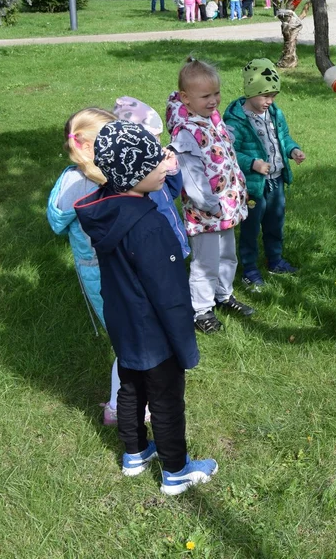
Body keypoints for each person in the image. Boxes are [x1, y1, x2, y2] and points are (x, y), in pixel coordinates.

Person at [74, 120, 218, 496]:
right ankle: (176, 470)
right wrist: (185, 345)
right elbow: (169, 295)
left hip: (123, 323)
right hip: (155, 332)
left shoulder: (108, 211)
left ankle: (135, 452)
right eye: (155, 163)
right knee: (166, 398)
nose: (165, 167)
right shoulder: (149, 225)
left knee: (131, 387)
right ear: (134, 173)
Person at [165, 57, 253, 333]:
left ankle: (223, 295)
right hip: (206, 212)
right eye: (205, 96)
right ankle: (201, 310)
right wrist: (211, 205)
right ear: (185, 98)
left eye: (216, 93)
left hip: (226, 207)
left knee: (228, 255)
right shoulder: (187, 132)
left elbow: (226, 158)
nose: (214, 100)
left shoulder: (212, 122)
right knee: (205, 262)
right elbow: (191, 177)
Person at [47, 107, 122, 426]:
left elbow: (56, 221)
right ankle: (120, 406)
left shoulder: (69, 180)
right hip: (112, 270)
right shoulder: (110, 176)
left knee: (126, 335)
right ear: (92, 145)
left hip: (93, 269)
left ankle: (126, 399)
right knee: (129, 339)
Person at [223, 58, 306, 288]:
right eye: (265, 96)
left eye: (273, 96)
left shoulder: (275, 114)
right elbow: (229, 152)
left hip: (276, 181)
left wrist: (293, 150)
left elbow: (284, 138)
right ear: (250, 91)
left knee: (275, 222)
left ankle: (275, 260)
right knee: (251, 227)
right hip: (253, 186)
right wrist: (253, 164)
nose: (270, 101)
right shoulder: (235, 120)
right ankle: (249, 268)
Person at [112, 97, 190, 260]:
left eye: (158, 138)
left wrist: (171, 169)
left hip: (173, 241)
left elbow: (171, 195)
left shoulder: (156, 167)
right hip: (158, 250)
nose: (157, 145)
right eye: (152, 139)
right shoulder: (137, 181)